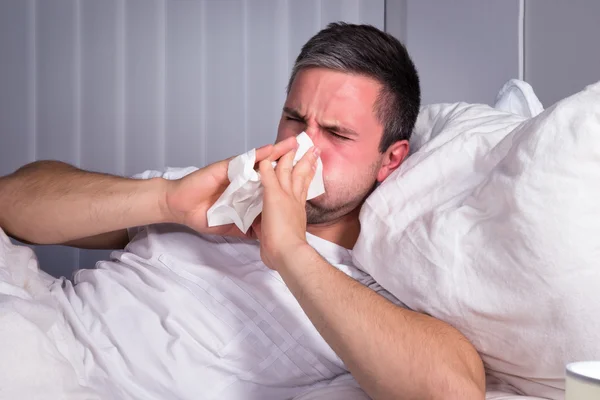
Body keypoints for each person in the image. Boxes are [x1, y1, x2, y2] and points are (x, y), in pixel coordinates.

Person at [0, 23, 484, 399]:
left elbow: (454, 389)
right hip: (34, 322)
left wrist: (291, 251)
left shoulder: (374, 280)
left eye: (336, 134)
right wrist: (167, 199)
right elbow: (13, 202)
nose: (300, 147)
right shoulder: (212, 191)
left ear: (390, 159)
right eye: (294, 118)